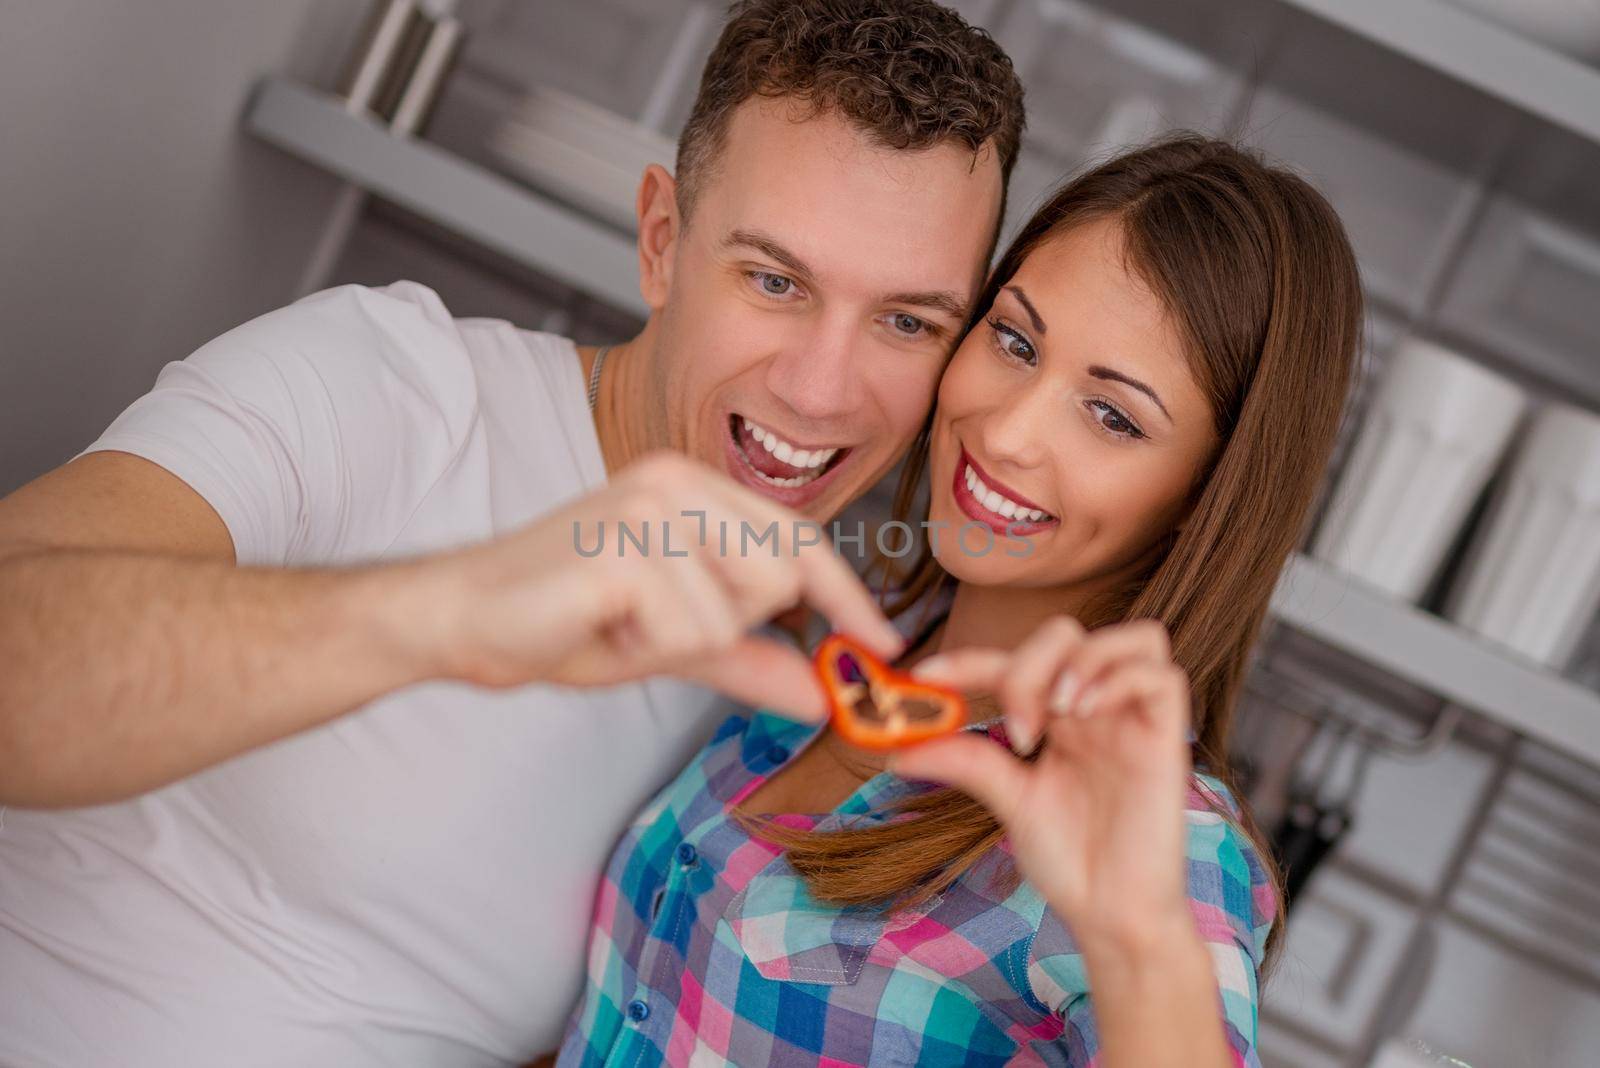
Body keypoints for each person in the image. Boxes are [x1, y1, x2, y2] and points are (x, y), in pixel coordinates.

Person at [0, 2, 1025, 1065]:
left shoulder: (777, 693)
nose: (821, 390)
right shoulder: (393, 382)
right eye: (773, 280)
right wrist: (445, 614)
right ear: (662, 241)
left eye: (906, 321)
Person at [552, 134, 1363, 1066]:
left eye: (1114, 417)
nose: (1007, 430)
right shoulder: (838, 646)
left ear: (1206, 501)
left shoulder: (1161, 843)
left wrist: (1141, 950)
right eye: (1015, 340)